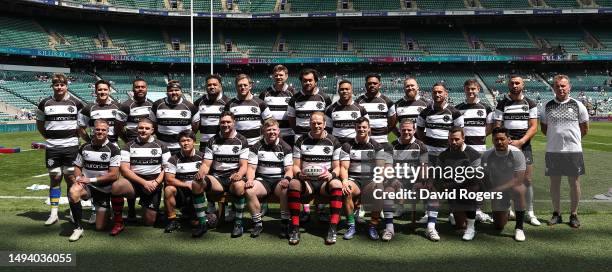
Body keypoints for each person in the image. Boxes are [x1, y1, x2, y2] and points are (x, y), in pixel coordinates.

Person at [286, 112, 343, 245]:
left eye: (319, 123)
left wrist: (331, 175)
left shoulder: (333, 141)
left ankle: (332, 227)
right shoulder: (301, 141)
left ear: (324, 124)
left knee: (337, 184)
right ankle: (295, 228)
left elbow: (337, 168)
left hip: (325, 182)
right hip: (307, 182)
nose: (316, 125)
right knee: (294, 183)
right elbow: (295, 166)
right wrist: (300, 175)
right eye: (313, 123)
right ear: (309, 124)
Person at [415, 83, 463, 236]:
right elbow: (419, 131)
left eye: (440, 92)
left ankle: (451, 213)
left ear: (446, 93)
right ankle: (426, 213)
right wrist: (427, 144)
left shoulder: (455, 112)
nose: (437, 95)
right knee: (428, 185)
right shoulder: (425, 112)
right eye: (435, 92)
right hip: (429, 155)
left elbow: (459, 134)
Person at [541, 75, 589, 228]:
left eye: (563, 86)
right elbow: (544, 128)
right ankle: (557, 213)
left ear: (569, 87)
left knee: (574, 183)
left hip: (573, 151)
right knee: (554, 184)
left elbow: (585, 128)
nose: (560, 88)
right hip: (553, 150)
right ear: (553, 88)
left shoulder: (578, 105)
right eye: (557, 86)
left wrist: (572, 141)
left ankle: (574, 214)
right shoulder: (547, 106)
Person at [36, 73, 84, 226]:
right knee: (55, 178)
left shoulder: (76, 103)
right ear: (52, 86)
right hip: (53, 148)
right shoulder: (44, 103)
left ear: (66, 86)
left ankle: (72, 211)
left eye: (62, 85)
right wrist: (50, 138)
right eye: (56, 85)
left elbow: (81, 125)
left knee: (71, 179)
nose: (59, 87)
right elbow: (40, 125)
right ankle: (54, 213)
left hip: (71, 148)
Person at [109, 118, 171, 236]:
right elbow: (124, 169)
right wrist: (144, 183)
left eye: (147, 128)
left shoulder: (162, 146)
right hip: (135, 183)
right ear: (137, 129)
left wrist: (156, 182)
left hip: (153, 184)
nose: (143, 130)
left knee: (149, 222)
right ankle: (119, 221)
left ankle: (154, 210)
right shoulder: (128, 146)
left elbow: (167, 168)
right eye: (141, 128)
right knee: (117, 186)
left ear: (152, 130)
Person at [493, 75, 541, 226]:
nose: (514, 85)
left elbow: (533, 127)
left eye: (517, 83)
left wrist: (521, 142)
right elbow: (497, 126)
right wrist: (507, 142)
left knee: (526, 180)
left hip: (524, 145)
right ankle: (509, 209)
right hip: (506, 146)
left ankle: (530, 212)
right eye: (512, 83)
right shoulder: (502, 103)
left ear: (523, 85)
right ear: (508, 85)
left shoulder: (530, 103)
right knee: (507, 179)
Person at [194, 111, 249, 238]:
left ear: (234, 123)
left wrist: (239, 174)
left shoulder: (241, 140)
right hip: (217, 178)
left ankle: (238, 224)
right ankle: (202, 223)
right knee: (196, 183)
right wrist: (201, 173)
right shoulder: (212, 140)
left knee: (239, 186)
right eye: (223, 122)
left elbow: (243, 165)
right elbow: (206, 164)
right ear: (219, 123)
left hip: (233, 178)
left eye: (228, 122)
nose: (225, 124)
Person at [287, 68, 332, 221]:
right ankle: (305, 209)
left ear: (315, 81)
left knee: (322, 171)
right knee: (304, 173)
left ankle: (321, 208)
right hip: (302, 142)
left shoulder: (324, 98)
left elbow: (328, 120)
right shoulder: (294, 99)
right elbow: (292, 120)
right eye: (304, 80)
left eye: (310, 80)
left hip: (321, 140)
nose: (307, 83)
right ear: (301, 82)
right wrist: (302, 134)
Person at [67, 120, 120, 241]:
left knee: (100, 227)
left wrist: (90, 179)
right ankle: (78, 228)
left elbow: (113, 175)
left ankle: (106, 210)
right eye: (97, 129)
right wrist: (79, 179)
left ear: (107, 132)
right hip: (87, 186)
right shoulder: (85, 147)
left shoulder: (113, 149)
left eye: (103, 130)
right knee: (73, 191)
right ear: (93, 130)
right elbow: (77, 167)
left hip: (104, 189)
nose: (100, 132)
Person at [339, 117, 387, 240]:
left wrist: (378, 181)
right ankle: (351, 225)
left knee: (379, 190)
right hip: (354, 179)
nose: (361, 129)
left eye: (364, 127)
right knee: (346, 190)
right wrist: (344, 181)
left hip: (370, 180)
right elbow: (344, 168)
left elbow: (380, 168)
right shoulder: (347, 146)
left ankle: (373, 225)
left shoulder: (376, 146)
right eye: (359, 127)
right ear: (355, 128)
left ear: (369, 128)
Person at [244, 119, 293, 238]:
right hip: (263, 180)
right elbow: (251, 168)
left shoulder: (285, 147)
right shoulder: (257, 146)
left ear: (278, 131)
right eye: (269, 130)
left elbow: (289, 170)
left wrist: (286, 179)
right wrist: (250, 179)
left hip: (279, 180)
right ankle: (257, 223)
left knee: (286, 189)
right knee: (249, 190)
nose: (272, 132)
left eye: (274, 129)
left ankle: (285, 223)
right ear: (263, 131)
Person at [454, 79, 494, 224]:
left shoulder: (486, 108)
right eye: (468, 89)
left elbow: (490, 126)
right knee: (461, 181)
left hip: (480, 150)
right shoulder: (458, 108)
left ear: (478, 89)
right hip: (463, 151)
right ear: (464, 90)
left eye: (473, 89)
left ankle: (477, 210)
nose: (470, 91)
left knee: (478, 182)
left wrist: (482, 136)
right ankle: (461, 210)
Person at [482, 127, 528, 242]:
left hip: (511, 187)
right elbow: (485, 177)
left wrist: (497, 189)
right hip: (497, 190)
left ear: (509, 139)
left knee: (520, 189)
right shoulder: (487, 155)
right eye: (496, 139)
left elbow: (519, 180)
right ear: (492, 140)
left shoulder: (517, 154)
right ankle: (507, 209)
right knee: (498, 226)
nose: (499, 142)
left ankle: (519, 228)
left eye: (502, 139)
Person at [193, 74, 230, 217]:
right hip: (205, 145)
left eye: (215, 84)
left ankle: (226, 206)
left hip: (223, 145)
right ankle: (210, 204)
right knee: (207, 175)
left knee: (224, 173)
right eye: (209, 85)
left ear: (220, 86)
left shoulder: (227, 102)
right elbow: (195, 124)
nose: (212, 87)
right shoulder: (199, 103)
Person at [436, 128, 482, 241]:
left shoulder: (474, 154)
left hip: (468, 189)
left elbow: (473, 179)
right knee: (460, 226)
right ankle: (453, 211)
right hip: (453, 189)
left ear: (463, 138)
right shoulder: (443, 156)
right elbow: (438, 176)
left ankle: (471, 228)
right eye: (451, 139)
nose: (454, 142)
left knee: (470, 190)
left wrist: (449, 186)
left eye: (457, 139)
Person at [118, 78, 153, 221]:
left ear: (146, 89)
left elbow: (154, 125)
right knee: (130, 175)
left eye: (142, 87)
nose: (140, 89)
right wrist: (127, 141)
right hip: (132, 147)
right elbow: (119, 127)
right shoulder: (126, 105)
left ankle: (148, 203)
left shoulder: (152, 105)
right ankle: (131, 210)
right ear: (133, 89)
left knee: (149, 173)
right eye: (137, 87)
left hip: (149, 146)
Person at [163, 130, 206, 235]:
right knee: (169, 189)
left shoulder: (202, 157)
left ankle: (195, 213)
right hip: (181, 192)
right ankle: (172, 220)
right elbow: (169, 179)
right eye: (182, 141)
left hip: (197, 193)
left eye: (188, 140)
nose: (186, 143)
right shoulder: (173, 159)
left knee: (194, 223)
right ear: (179, 143)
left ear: (194, 141)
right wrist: (187, 185)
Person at [150, 80, 198, 155]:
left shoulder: (190, 106)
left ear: (181, 92)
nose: (174, 92)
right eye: (171, 90)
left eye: (177, 90)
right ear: (167, 92)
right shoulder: (157, 104)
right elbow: (153, 124)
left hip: (182, 148)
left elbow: (195, 126)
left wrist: (185, 137)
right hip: (162, 147)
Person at [224, 74, 273, 146]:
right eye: (240, 85)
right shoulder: (229, 105)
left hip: (256, 145)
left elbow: (270, 123)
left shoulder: (260, 103)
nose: (242, 87)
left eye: (245, 85)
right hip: (237, 144)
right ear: (236, 87)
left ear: (250, 86)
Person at [78, 80, 124, 145]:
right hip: (95, 147)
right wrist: (89, 142)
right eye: (100, 90)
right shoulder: (88, 108)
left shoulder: (118, 107)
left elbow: (122, 127)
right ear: (95, 91)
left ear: (109, 91)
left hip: (113, 145)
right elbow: (81, 128)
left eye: (105, 89)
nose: (103, 92)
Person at [259, 65, 296, 145]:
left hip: (289, 134)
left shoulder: (293, 93)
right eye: (276, 75)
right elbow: (260, 113)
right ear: (273, 76)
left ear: (286, 76)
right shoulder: (265, 93)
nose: (278, 77)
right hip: (270, 135)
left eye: (281, 75)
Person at [325, 80, 369, 145]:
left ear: (352, 91)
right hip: (337, 145)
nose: (344, 91)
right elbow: (328, 130)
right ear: (338, 91)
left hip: (355, 145)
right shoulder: (330, 109)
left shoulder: (361, 109)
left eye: (347, 89)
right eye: (342, 89)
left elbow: (367, 129)